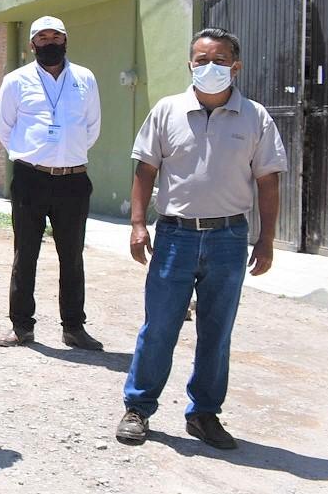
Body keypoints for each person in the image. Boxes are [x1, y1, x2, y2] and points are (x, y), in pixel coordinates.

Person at [115, 28, 286, 450]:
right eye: (201, 59)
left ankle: (204, 414)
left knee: (217, 330)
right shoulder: (167, 111)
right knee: (160, 326)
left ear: (236, 66)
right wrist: (139, 224)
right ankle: (138, 408)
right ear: (190, 64)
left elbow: (268, 182)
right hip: (176, 236)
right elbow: (145, 170)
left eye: (220, 60)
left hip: (229, 237)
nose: (210, 67)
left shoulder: (256, 117)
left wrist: (266, 240)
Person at [0, 16, 103, 351]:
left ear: (66, 41)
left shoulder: (84, 78)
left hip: (73, 180)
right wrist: (35, 155)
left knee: (72, 256)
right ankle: (21, 327)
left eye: (56, 36)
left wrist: (66, 153)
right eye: (43, 37)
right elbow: (5, 128)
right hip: (31, 179)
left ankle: (73, 327)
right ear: (32, 45)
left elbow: (92, 126)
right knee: (24, 254)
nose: (50, 42)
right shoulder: (15, 81)